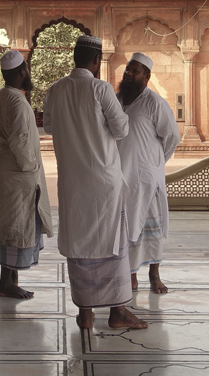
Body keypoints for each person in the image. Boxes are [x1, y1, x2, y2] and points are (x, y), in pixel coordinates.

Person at [43, 34, 149, 332]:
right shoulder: (100, 89)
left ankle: (86, 314)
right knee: (112, 243)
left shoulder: (55, 90)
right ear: (95, 61)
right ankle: (117, 312)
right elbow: (121, 128)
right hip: (104, 182)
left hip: (73, 183)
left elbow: (49, 125)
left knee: (81, 245)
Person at [0, 49, 53, 300]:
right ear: (22, 72)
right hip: (20, 176)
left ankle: (9, 280)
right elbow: (20, 141)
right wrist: (30, 167)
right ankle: (6, 283)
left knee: (9, 223)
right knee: (16, 227)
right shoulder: (18, 102)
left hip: (5, 170)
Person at [117, 51, 180, 294]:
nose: (129, 75)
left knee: (150, 229)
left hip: (147, 178)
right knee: (126, 228)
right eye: (127, 70)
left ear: (147, 76)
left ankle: (154, 275)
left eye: (135, 71)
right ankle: (130, 275)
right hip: (122, 177)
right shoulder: (117, 100)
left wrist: (155, 163)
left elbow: (172, 137)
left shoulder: (155, 103)